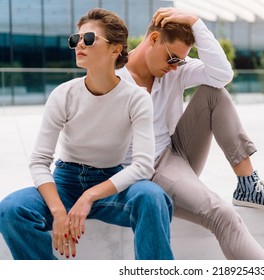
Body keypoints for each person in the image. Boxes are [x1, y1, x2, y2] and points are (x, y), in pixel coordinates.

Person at [116, 7, 264, 260]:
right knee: (223, 215)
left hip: (175, 152)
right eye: (172, 58)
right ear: (155, 39)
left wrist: (195, 23)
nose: (175, 66)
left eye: (180, 60)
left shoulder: (173, 69)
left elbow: (222, 75)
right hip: (148, 171)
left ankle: (248, 185)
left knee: (214, 93)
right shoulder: (115, 80)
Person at [0, 8, 173, 260]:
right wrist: (59, 211)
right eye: (76, 39)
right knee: (11, 209)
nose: (79, 44)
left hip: (110, 185)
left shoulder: (136, 98)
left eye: (89, 39)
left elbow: (143, 166)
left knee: (153, 197)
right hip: (65, 183)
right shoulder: (64, 94)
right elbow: (39, 161)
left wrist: (90, 196)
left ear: (116, 49)